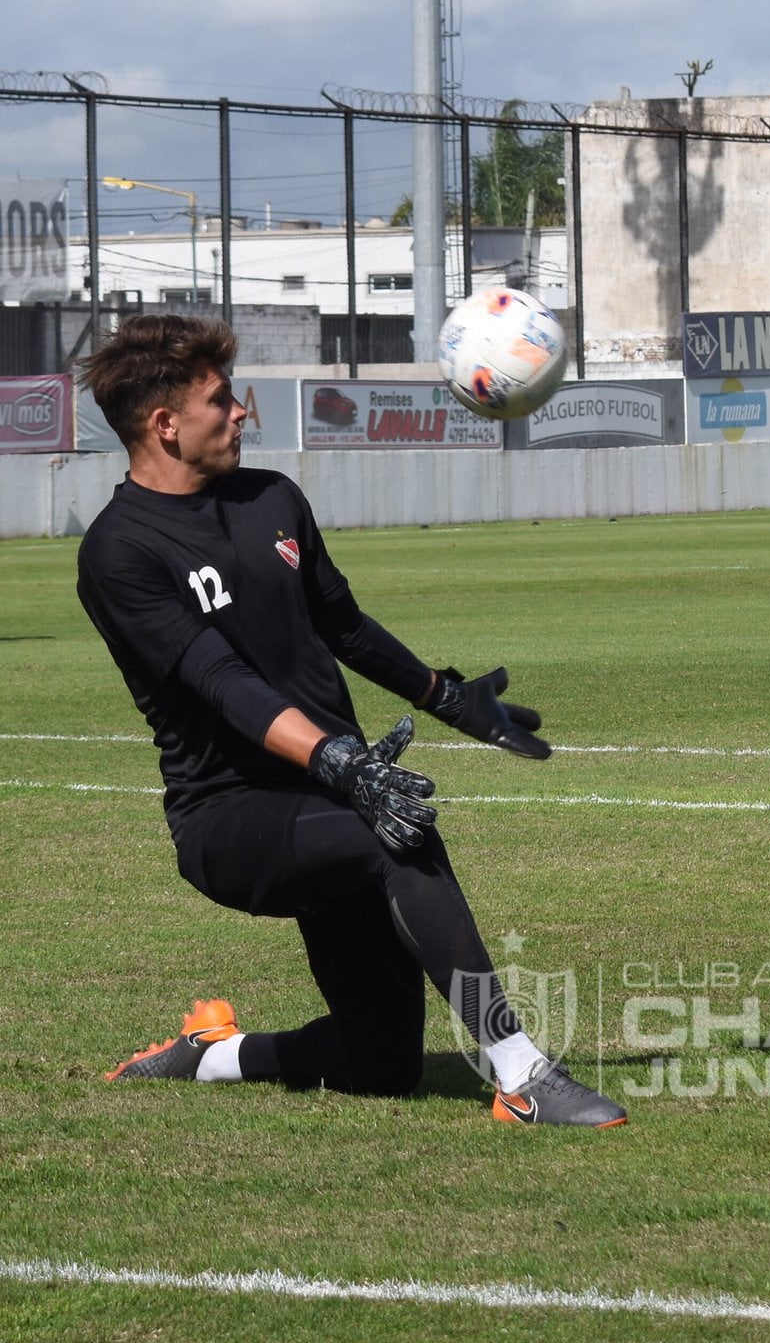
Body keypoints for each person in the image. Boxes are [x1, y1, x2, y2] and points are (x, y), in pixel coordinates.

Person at [77, 314, 624, 1128]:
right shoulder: (118, 551)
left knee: (382, 1066)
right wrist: (343, 764)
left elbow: (346, 627)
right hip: (229, 816)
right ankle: (521, 1073)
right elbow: (222, 683)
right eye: (221, 402)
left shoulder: (274, 498)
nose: (241, 414)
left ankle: (213, 1052)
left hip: (328, 792)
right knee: (391, 826)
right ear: (164, 425)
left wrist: (445, 696)